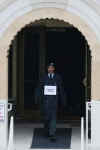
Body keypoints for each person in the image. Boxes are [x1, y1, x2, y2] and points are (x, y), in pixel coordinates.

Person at [35, 62, 66, 141]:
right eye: (49, 68)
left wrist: (63, 100)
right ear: (47, 69)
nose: (50, 69)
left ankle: (52, 134)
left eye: (52, 68)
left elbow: (61, 89)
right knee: (46, 118)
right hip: (45, 102)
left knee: (53, 118)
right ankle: (46, 131)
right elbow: (39, 88)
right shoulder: (43, 77)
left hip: (54, 101)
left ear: (54, 69)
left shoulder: (58, 77)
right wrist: (37, 99)